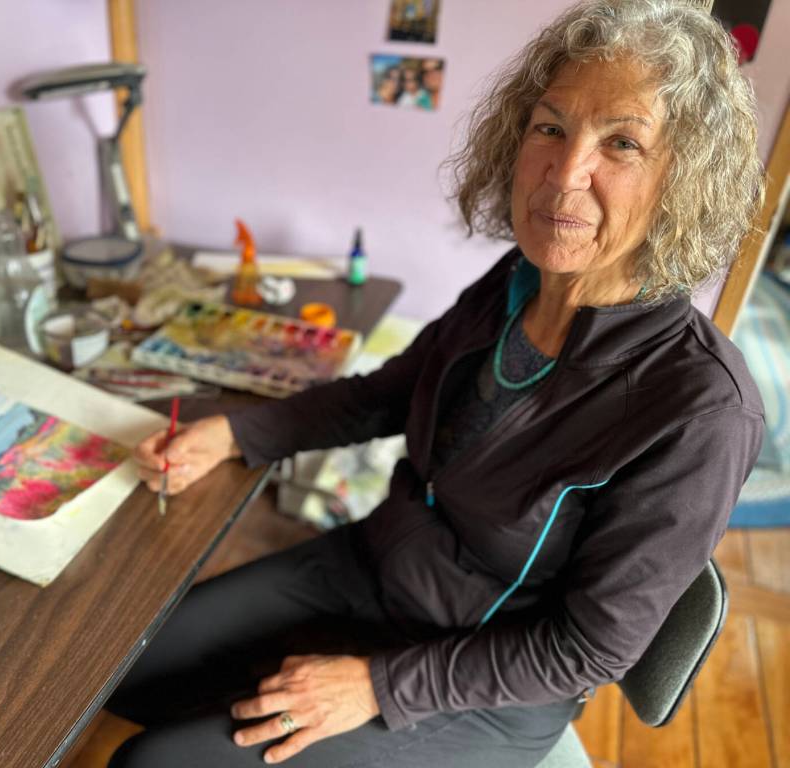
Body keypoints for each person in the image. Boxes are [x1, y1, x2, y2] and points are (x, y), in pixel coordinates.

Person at [108, 1, 765, 765]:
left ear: (682, 180)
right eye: (549, 128)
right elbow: (386, 394)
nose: (564, 173)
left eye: (622, 142)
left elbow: (587, 649)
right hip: (370, 569)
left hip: (487, 677)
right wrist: (236, 433)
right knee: (115, 669)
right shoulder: (518, 279)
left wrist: (377, 685)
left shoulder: (702, 407)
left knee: (152, 762)